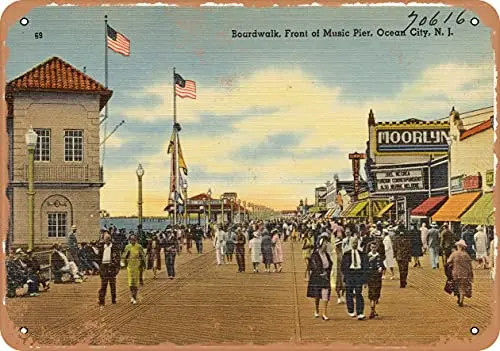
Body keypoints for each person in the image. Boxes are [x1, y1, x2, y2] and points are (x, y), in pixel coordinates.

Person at [341, 237, 369, 320]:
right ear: (350, 243)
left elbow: (365, 266)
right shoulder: (346, 254)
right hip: (350, 274)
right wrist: (345, 276)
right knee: (349, 293)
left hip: (358, 274)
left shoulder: (362, 254)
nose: (355, 244)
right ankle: (351, 310)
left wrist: (365, 279)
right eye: (353, 243)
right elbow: (343, 267)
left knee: (358, 293)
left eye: (356, 243)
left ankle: (360, 312)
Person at [306, 237, 332, 320]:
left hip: (325, 277)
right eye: (325, 244)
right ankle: (316, 309)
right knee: (317, 295)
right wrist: (320, 273)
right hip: (317, 277)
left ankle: (324, 313)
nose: (326, 245)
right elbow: (313, 266)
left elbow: (330, 264)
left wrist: (327, 272)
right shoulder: (315, 255)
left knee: (325, 294)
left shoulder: (326, 254)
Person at [446, 240, 473, 307]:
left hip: (456, 272)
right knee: (463, 286)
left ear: (458, 246)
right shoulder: (466, 255)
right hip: (465, 273)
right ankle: (461, 299)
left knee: (457, 286)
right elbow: (470, 266)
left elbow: (448, 261)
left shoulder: (454, 254)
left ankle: (459, 299)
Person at [98, 233, 121, 307]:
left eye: (107, 239)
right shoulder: (102, 247)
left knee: (112, 284)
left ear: (109, 240)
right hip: (104, 267)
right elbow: (99, 257)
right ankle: (102, 300)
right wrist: (100, 267)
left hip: (111, 266)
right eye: (105, 239)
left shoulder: (114, 247)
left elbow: (118, 258)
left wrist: (116, 267)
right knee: (103, 285)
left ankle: (113, 299)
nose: (106, 241)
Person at [121, 234, 146, 304]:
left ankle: (134, 297)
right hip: (129, 267)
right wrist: (123, 263)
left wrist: (144, 265)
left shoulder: (139, 247)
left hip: (137, 267)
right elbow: (123, 256)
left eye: (134, 239)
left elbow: (143, 256)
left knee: (135, 283)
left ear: (136, 240)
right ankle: (132, 295)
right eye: (131, 239)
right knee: (130, 283)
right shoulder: (127, 247)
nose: (132, 241)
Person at [367, 242, 384, 319]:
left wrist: (381, 268)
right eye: (372, 247)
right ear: (370, 248)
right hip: (370, 277)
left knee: (376, 293)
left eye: (375, 247)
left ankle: (373, 309)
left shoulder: (379, 256)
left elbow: (382, 265)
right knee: (372, 293)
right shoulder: (368, 256)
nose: (373, 248)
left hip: (377, 277)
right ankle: (372, 310)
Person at [331, 235, 345, 304]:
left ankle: (342, 295)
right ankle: (339, 297)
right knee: (337, 285)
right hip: (335, 270)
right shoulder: (333, 252)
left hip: (342, 270)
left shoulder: (343, 251)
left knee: (344, 284)